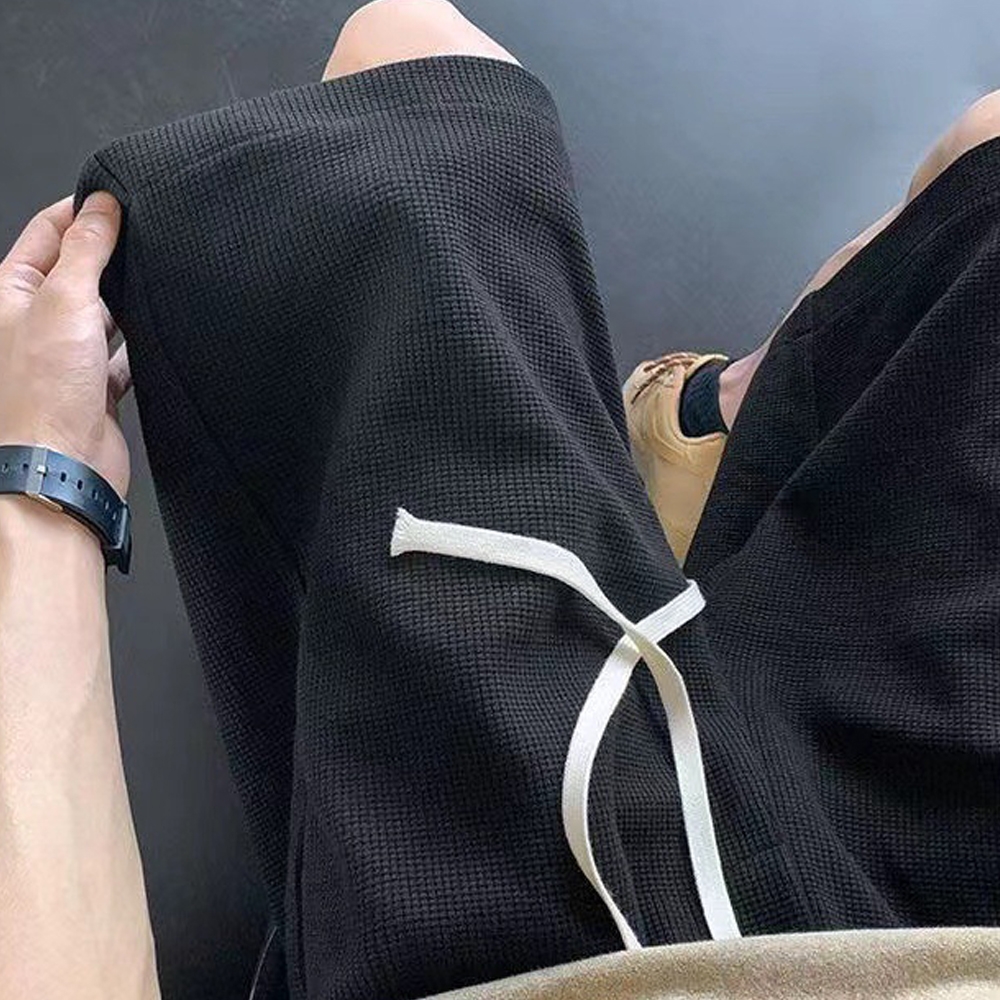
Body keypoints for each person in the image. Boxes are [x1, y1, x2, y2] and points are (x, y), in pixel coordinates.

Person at [2, 2, 999, 999]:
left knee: (410, 67)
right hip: (949, 921)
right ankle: (720, 431)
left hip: (577, 950)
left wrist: (42, 474)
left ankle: (709, 462)